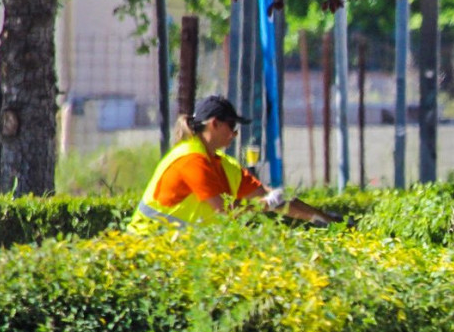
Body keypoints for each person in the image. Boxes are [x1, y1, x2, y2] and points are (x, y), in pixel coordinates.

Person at [130, 95, 333, 230]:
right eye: (232, 126)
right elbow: (225, 210)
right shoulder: (190, 159)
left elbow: (274, 199)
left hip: (179, 251)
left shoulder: (223, 165)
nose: (235, 134)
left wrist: (326, 219)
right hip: (148, 247)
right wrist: (265, 204)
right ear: (214, 124)